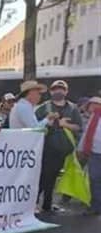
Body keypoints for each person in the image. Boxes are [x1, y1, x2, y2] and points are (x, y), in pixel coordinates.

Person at [35, 80, 83, 213]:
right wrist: (52, 124)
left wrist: (64, 124)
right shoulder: (44, 108)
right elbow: (34, 125)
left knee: (52, 177)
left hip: (64, 151)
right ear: (51, 91)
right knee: (44, 176)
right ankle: (33, 203)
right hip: (47, 148)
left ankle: (47, 204)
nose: (58, 91)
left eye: (62, 89)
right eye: (55, 89)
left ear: (66, 92)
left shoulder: (72, 108)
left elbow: (78, 127)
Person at [78, 96, 101, 215]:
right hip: (95, 153)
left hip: (97, 153)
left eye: (95, 104)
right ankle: (96, 206)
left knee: (96, 179)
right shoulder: (93, 117)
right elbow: (87, 134)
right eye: (90, 105)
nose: (92, 107)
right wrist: (81, 149)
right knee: (94, 179)